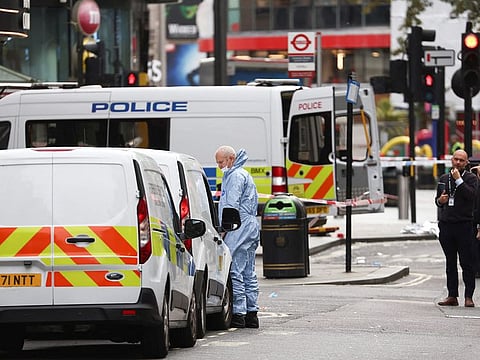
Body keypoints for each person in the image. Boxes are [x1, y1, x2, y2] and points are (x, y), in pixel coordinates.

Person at [215, 146, 260, 328]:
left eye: (221, 162)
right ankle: (252, 313)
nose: (219, 166)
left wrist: (224, 229)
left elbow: (231, 205)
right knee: (248, 271)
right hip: (249, 226)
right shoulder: (241, 174)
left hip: (238, 226)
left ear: (231, 158)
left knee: (234, 269)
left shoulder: (234, 177)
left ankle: (239, 314)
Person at [435, 149, 477, 307]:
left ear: (466, 163)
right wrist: (440, 200)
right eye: (456, 159)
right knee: (450, 262)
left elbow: (472, 196)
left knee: (467, 262)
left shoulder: (471, 178)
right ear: (451, 160)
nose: (458, 162)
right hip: (447, 226)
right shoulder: (444, 178)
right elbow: (437, 201)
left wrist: (459, 180)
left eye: (461, 160)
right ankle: (452, 295)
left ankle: (469, 296)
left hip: (464, 225)